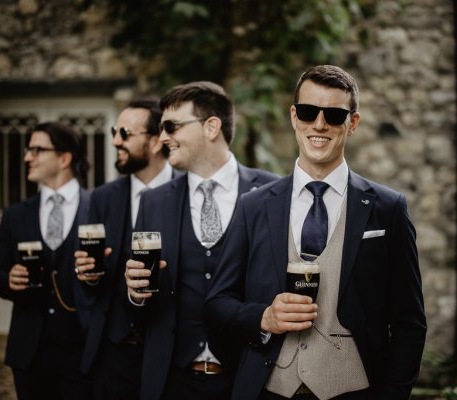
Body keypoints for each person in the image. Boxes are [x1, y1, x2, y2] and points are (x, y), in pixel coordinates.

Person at [205, 65, 427, 400]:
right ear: (294, 116)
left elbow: (410, 322)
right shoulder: (254, 206)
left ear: (352, 123)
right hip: (268, 390)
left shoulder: (388, 208)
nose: (319, 124)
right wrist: (263, 317)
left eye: (334, 115)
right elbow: (217, 304)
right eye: (309, 112)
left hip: (355, 390)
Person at [124, 81, 279, 400]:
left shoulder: (273, 193)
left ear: (211, 127)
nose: (162, 137)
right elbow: (140, 313)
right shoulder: (153, 202)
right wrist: (135, 294)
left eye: (171, 126)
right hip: (173, 381)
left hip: (251, 379)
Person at [74, 98, 181, 400]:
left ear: (157, 141)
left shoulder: (188, 192)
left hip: (172, 351)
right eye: (113, 132)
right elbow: (89, 284)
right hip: (113, 352)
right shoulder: (103, 198)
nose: (115, 141)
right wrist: (88, 276)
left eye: (124, 133)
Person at [0, 122, 93, 400]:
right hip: (29, 351)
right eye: (27, 150)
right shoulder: (15, 215)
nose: (27, 157)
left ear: (64, 157)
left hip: (81, 349)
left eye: (37, 149)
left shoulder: (98, 207)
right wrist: (9, 279)